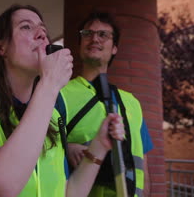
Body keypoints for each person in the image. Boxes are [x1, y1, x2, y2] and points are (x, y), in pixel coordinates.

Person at [0, 4, 125, 197]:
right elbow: (1, 185)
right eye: (26, 27)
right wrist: (49, 84)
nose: (41, 35)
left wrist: (99, 146)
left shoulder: (51, 116)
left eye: (43, 30)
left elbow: (68, 192)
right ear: (1, 47)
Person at [61, 12, 153, 197]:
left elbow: (143, 166)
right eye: (87, 33)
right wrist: (66, 147)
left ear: (114, 48)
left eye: (103, 35)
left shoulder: (132, 103)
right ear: (79, 44)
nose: (94, 38)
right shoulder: (59, 94)